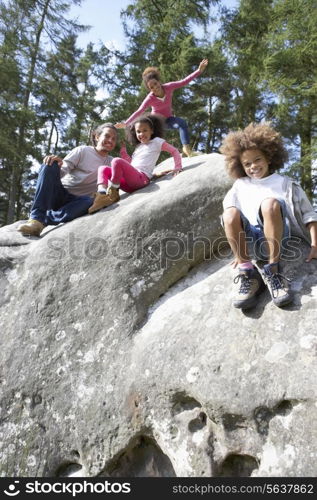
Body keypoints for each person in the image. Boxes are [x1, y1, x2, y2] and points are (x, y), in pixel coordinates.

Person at [220, 121, 317, 309]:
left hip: (280, 239)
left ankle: (274, 271)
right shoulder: (239, 185)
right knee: (229, 213)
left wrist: (314, 243)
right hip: (251, 243)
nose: (253, 166)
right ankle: (248, 272)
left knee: (270, 204)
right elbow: (229, 221)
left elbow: (309, 214)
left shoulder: (285, 183)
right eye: (247, 164)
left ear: (269, 158)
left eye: (257, 159)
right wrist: (238, 249)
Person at [17, 123, 117, 237]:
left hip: (77, 202)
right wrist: (57, 166)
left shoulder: (111, 162)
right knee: (49, 164)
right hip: (58, 194)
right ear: (97, 137)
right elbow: (62, 171)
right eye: (107, 136)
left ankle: (44, 221)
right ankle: (36, 218)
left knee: (91, 202)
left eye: (114, 139)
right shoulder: (83, 151)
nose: (110, 140)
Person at [88, 114, 182, 214]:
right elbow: (131, 165)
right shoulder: (138, 147)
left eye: (145, 130)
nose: (141, 134)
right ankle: (101, 195)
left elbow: (174, 151)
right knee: (103, 168)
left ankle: (113, 193)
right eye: (138, 131)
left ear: (152, 131)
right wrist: (123, 151)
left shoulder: (157, 142)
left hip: (142, 179)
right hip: (130, 183)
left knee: (116, 161)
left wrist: (177, 167)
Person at [115, 59, 208, 158]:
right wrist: (126, 123)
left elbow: (184, 82)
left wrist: (198, 71)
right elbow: (140, 110)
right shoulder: (150, 98)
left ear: (159, 82)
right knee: (150, 139)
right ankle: (139, 156)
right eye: (151, 87)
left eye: (155, 84)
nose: (155, 87)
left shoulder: (168, 87)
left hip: (168, 120)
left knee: (182, 123)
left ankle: (186, 149)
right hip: (156, 124)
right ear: (149, 89)